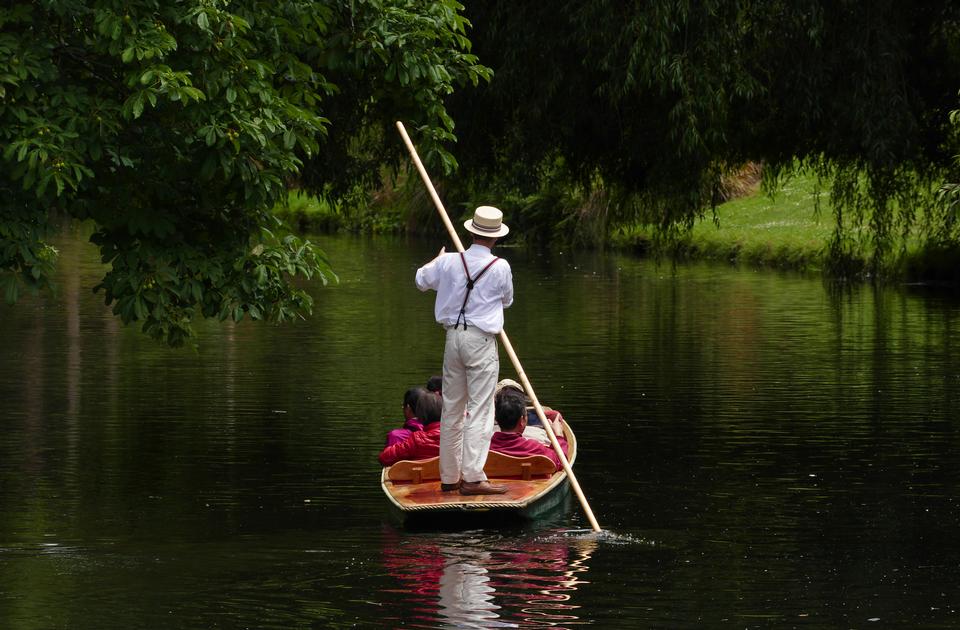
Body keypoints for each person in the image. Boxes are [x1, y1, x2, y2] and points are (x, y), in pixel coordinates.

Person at [415, 206, 514, 496]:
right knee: (482, 410)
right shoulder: (501, 267)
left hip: (453, 340)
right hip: (481, 342)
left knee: (453, 409)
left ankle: (449, 477)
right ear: (495, 238)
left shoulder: (447, 262)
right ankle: (471, 477)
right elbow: (506, 300)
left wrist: (437, 260)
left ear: (471, 232)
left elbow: (420, 280)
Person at [489, 390, 568, 471]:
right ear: (521, 420)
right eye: (526, 415)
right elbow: (560, 462)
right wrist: (558, 436)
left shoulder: (485, 447)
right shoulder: (535, 448)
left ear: (497, 419)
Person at [379, 390, 443, 466]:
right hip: (450, 476)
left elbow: (384, 458)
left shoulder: (417, 439)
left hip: (419, 476)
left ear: (421, 416)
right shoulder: (457, 436)